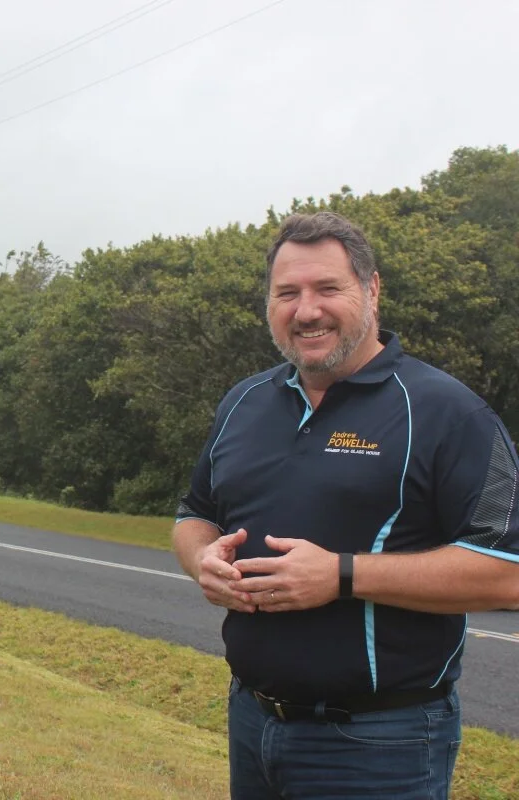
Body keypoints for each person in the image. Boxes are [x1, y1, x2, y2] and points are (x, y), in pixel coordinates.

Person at [172, 211, 519, 799]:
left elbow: (509, 573)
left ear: (372, 289)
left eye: (327, 288)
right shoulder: (244, 402)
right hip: (251, 720)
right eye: (288, 293)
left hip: (380, 742)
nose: (306, 310)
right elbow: (193, 515)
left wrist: (340, 575)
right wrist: (203, 559)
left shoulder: (445, 412)